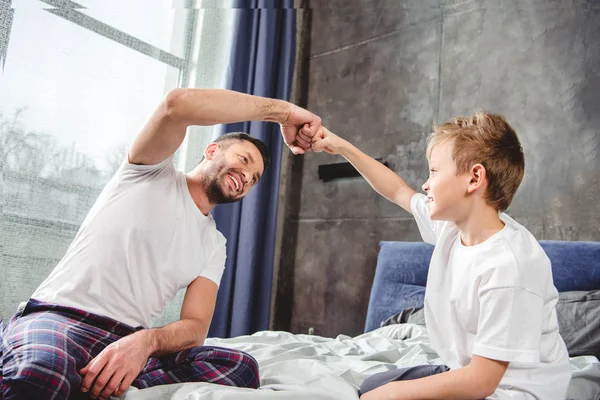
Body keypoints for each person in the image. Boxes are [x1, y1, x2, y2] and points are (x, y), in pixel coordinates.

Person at [0, 88, 322, 400]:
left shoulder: (214, 245)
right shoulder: (147, 173)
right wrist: (283, 113)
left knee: (240, 368)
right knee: (41, 376)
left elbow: (195, 327)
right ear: (212, 151)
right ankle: (54, 364)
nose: (247, 176)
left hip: (128, 345)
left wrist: (144, 343)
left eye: (253, 178)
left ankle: (88, 378)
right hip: (63, 319)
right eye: (244, 159)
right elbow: (176, 105)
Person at [311, 112, 571, 400]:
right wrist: (343, 147)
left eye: (434, 171)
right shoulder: (453, 227)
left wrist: (396, 394)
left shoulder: (510, 267)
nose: (425, 184)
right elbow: (398, 190)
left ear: (474, 178)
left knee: (387, 395)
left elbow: (481, 383)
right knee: (372, 386)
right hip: (467, 371)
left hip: (511, 392)